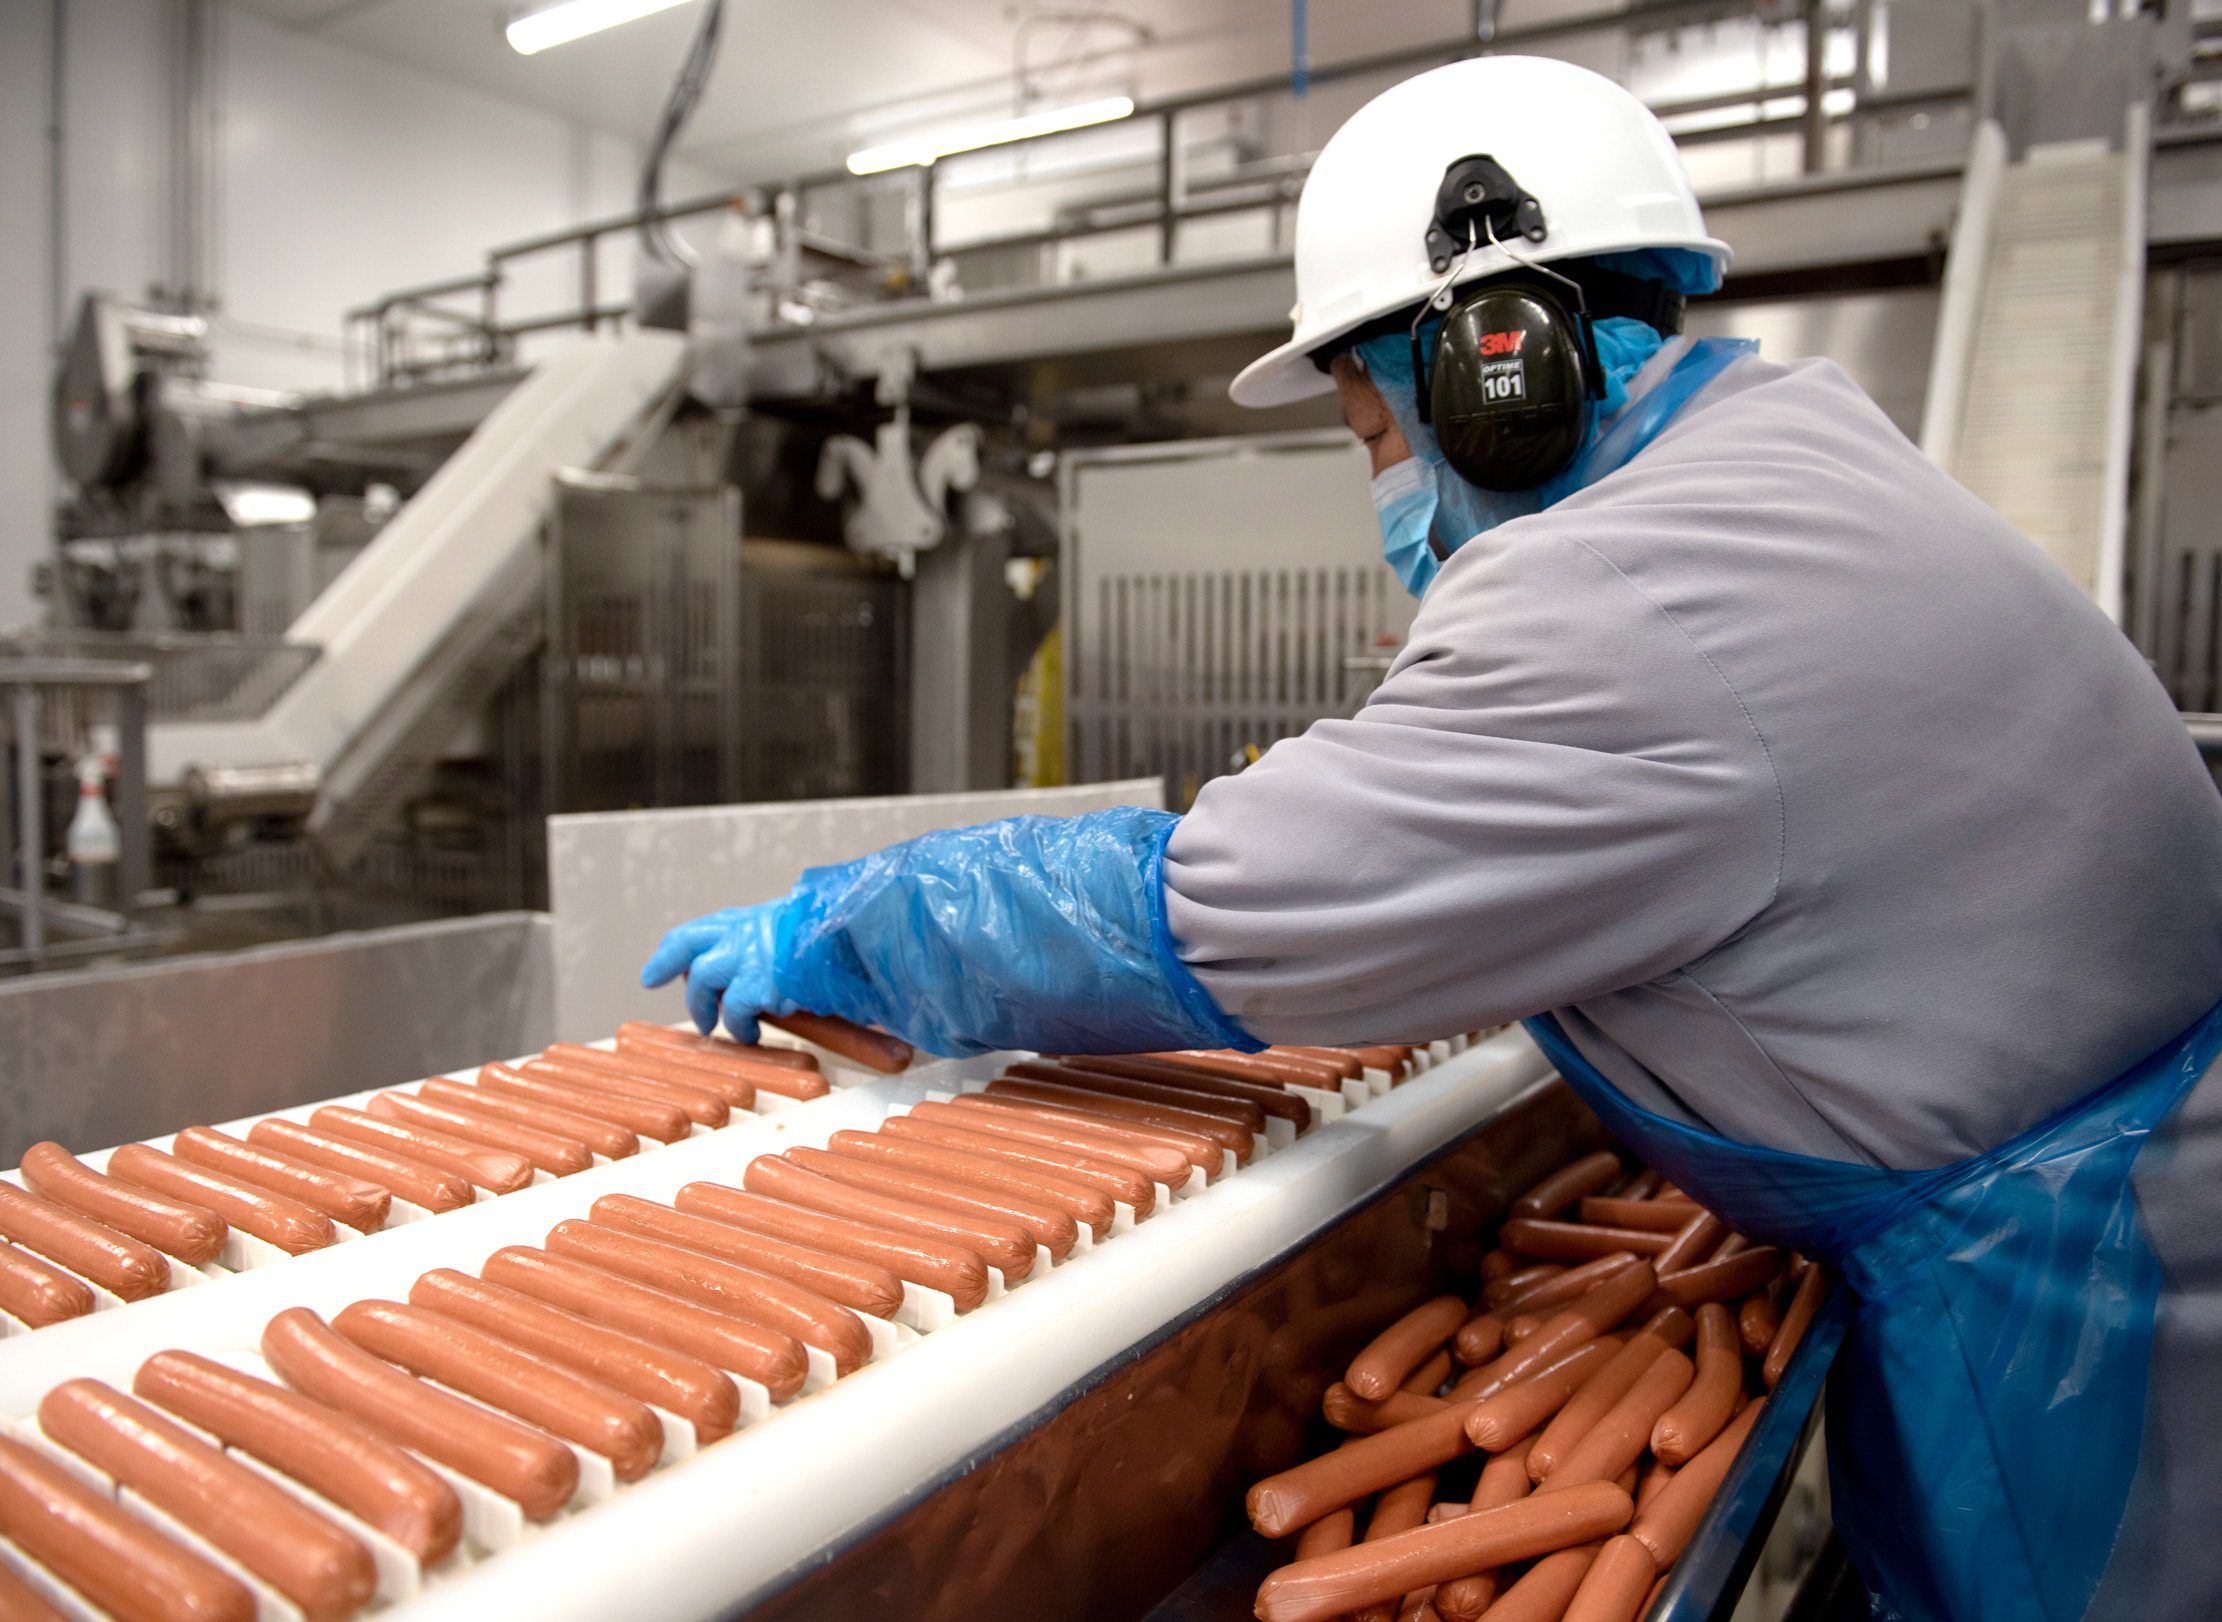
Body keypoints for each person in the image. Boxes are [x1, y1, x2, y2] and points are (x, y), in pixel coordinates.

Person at [643, 57, 2222, 1621]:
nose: (1389, 490)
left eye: (1371, 435)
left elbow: (1216, 914)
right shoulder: (1786, 454)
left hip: (2080, 1324)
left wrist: (849, 927)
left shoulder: (1623, 589)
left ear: (1498, 362)